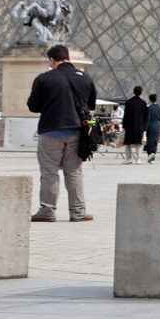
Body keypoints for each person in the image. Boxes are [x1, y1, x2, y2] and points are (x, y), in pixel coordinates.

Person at [27, 44, 97, 222]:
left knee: (49, 172)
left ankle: (47, 211)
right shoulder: (85, 78)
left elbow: (33, 106)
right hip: (77, 132)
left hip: (51, 130)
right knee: (74, 172)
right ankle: (78, 212)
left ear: (52, 60)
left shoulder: (44, 78)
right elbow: (91, 105)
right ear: (69, 58)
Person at [121, 86, 149, 164]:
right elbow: (146, 116)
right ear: (141, 92)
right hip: (140, 125)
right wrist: (145, 127)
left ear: (133, 92)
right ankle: (138, 159)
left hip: (130, 125)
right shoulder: (143, 103)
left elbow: (126, 115)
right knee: (139, 143)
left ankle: (128, 158)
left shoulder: (128, 102)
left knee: (127, 143)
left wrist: (124, 125)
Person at [144, 93, 160, 163]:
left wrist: (145, 129)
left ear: (150, 100)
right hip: (157, 125)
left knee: (149, 140)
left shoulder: (149, 108)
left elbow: (148, 118)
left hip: (150, 125)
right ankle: (153, 156)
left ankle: (150, 154)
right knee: (155, 141)